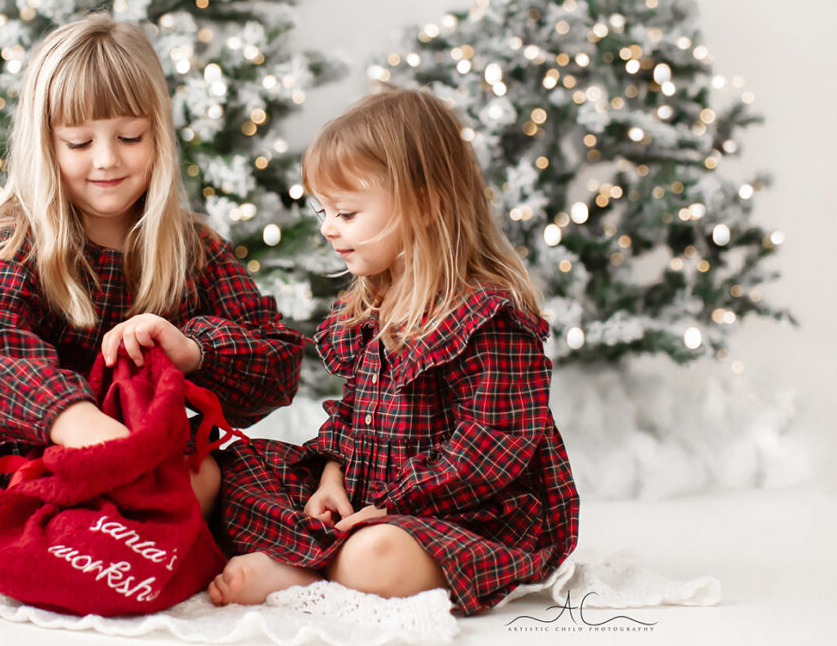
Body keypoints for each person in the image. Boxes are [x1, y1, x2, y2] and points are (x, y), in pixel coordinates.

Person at [0, 14, 304, 595]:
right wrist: (81, 425)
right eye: (78, 142)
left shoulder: (193, 249)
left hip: (120, 481)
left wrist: (194, 351)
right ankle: (51, 549)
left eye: (129, 137)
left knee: (204, 478)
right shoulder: (14, 241)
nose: (106, 161)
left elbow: (278, 362)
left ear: (159, 136)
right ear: (45, 144)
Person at [209, 86, 579, 615]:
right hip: (365, 492)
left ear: (424, 204)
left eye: (347, 213)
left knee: (373, 557)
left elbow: (488, 453)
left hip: (458, 513)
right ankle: (320, 549)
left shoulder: (490, 322)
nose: (329, 229)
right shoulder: (369, 309)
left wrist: (388, 507)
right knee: (233, 467)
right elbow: (351, 417)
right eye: (324, 212)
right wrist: (332, 482)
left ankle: (300, 566)